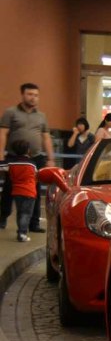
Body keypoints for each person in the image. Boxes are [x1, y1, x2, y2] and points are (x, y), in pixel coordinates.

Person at [1, 83, 54, 234]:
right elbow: (2, 134)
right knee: (9, 189)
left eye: (36, 95)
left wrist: (50, 158)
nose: (33, 98)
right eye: (30, 94)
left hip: (35, 159)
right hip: (14, 158)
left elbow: (46, 137)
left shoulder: (41, 116)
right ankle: (3, 216)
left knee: (34, 191)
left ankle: (34, 223)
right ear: (22, 95)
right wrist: (1, 156)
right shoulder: (10, 112)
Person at [4, 140, 38, 242]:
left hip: (16, 191)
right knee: (26, 214)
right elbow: (37, 175)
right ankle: (22, 233)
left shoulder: (11, 163)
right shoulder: (32, 164)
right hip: (29, 191)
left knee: (20, 213)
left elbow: (3, 167)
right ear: (27, 150)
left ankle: (20, 231)